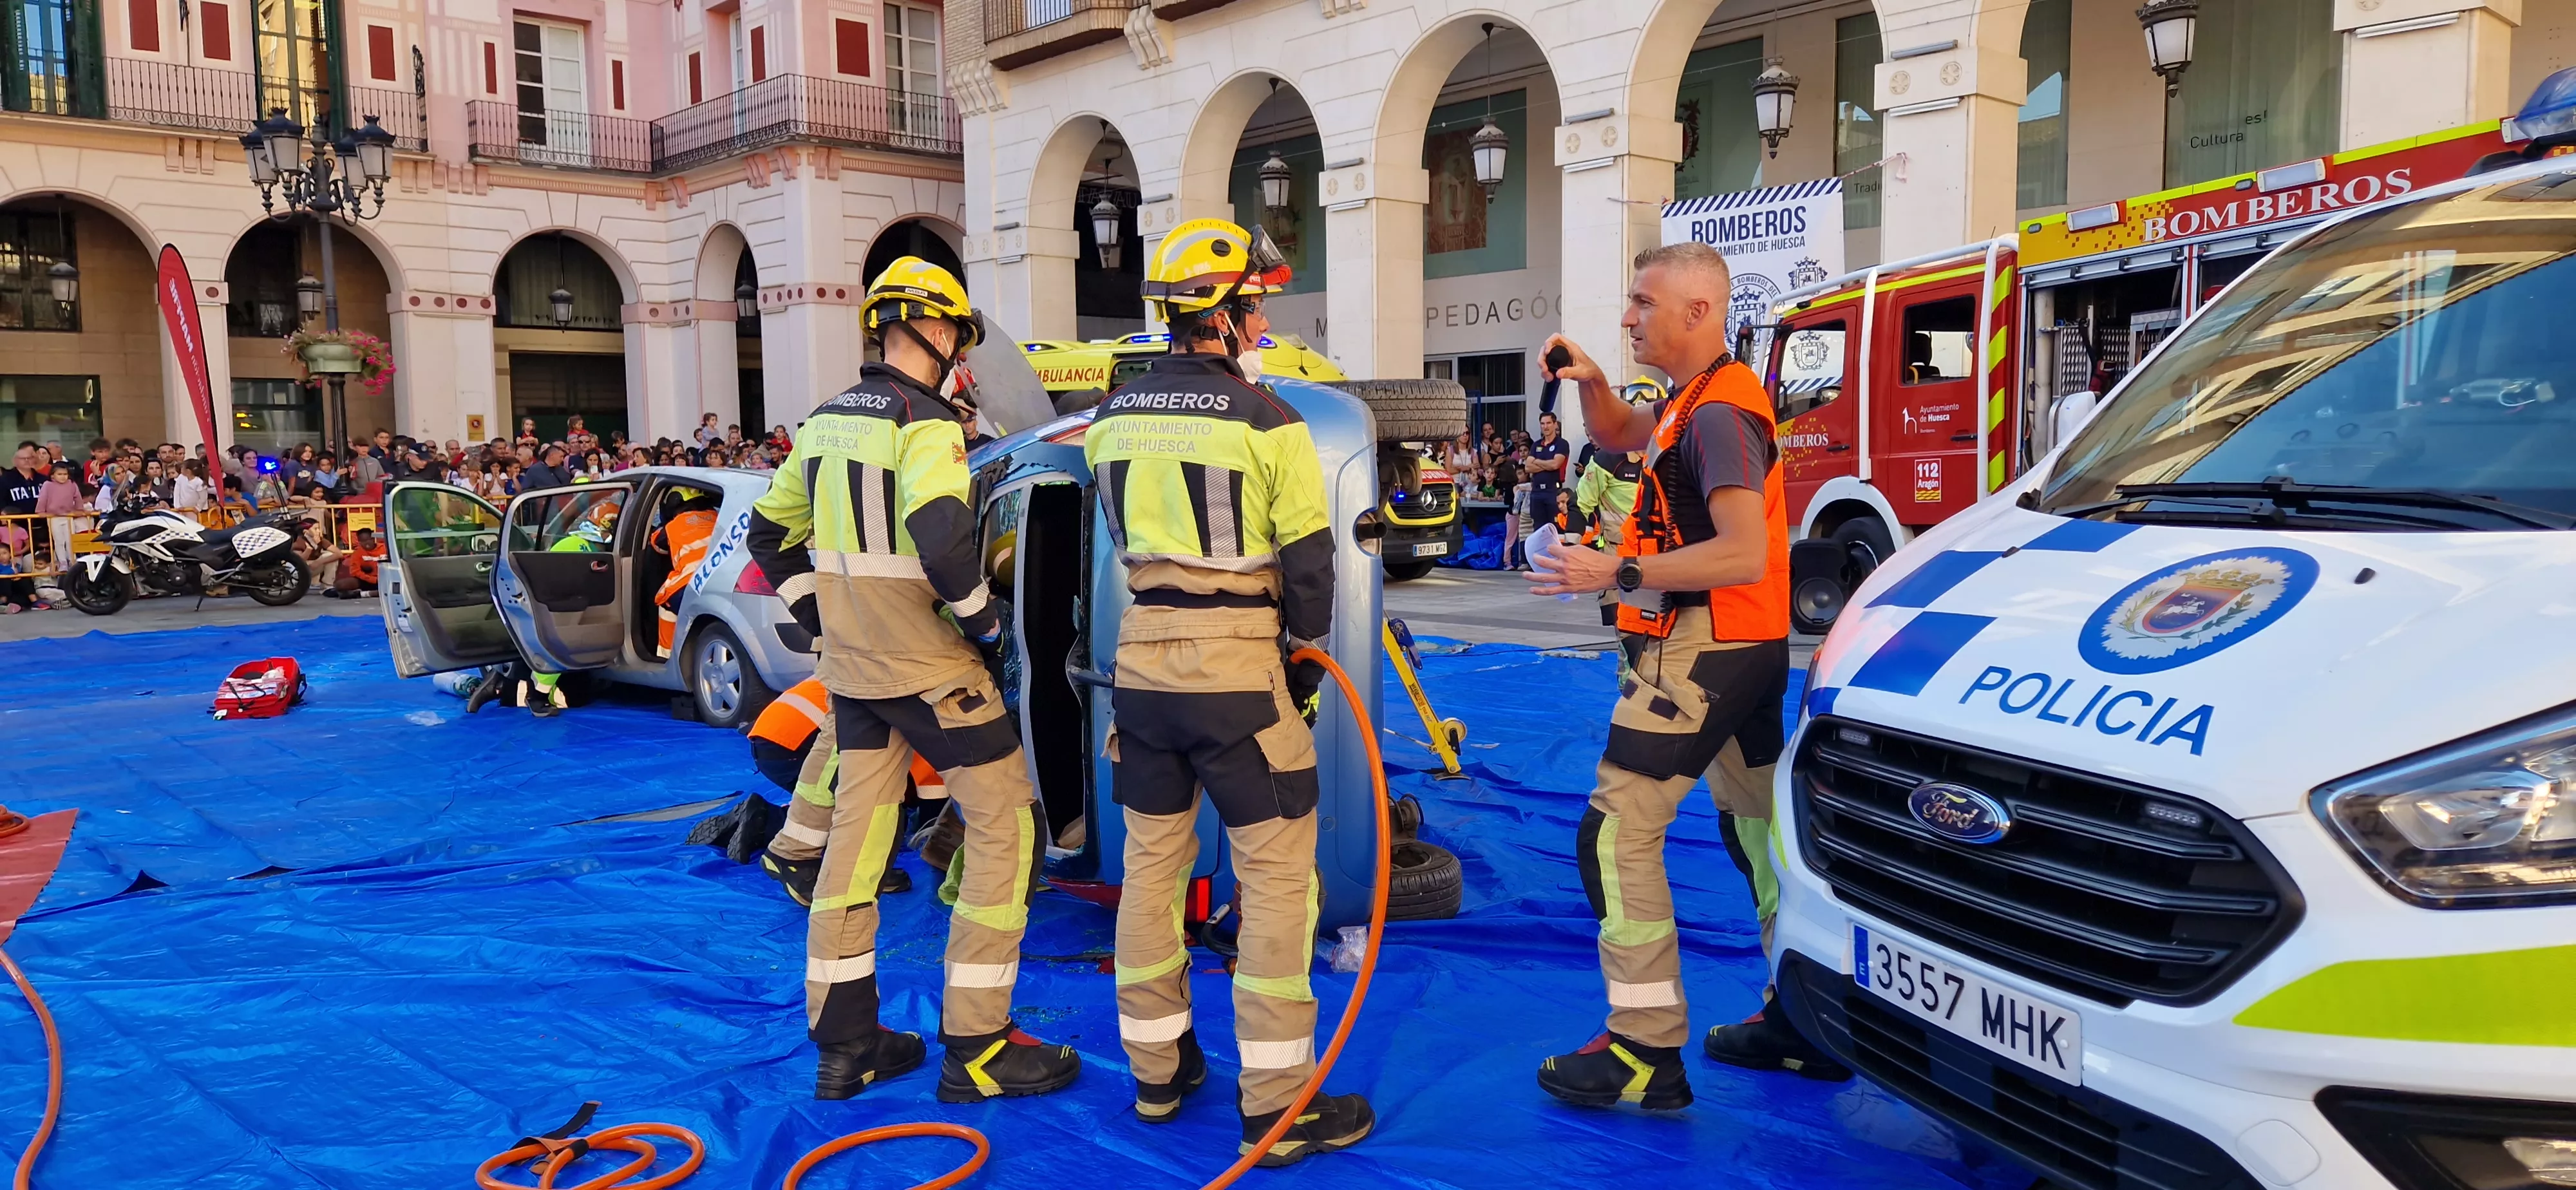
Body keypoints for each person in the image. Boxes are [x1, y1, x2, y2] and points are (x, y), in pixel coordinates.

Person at [745, 254, 1077, 1104]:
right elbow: (939, 535)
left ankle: (847, 1046)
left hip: (855, 677)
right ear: (932, 331)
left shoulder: (823, 422)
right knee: (1007, 831)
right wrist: (987, 624)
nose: (958, 357)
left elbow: (770, 537)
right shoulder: (925, 424)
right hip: (932, 675)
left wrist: (823, 619)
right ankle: (977, 1049)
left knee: (852, 854)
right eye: (956, 340)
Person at [1085, 218, 1369, 1163]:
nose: (1258, 318)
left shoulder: (1111, 418)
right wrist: (1303, 665)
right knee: (1279, 879)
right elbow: (1311, 563)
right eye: (1252, 302)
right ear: (1225, 311)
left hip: (1143, 672)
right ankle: (1276, 1105)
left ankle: (1158, 1078)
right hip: (1239, 665)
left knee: (1151, 875)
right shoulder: (1269, 419)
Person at [1525, 240, 1818, 1111]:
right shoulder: (1699, 400)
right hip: (1745, 649)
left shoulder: (1721, 415)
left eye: (1643, 303)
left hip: (1701, 650)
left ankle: (1644, 1051)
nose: (1627, 318)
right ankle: (1804, 1017)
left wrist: (1612, 572)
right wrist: (1587, 382)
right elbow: (1619, 433)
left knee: (1615, 834)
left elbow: (1741, 552)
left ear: (1699, 313)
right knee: (1761, 835)